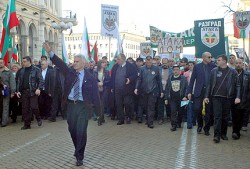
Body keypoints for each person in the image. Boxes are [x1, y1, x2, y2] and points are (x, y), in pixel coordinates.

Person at [43, 42, 101, 166]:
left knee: (81, 131)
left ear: (84, 63)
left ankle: (79, 156)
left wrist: (100, 113)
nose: (74, 63)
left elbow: (96, 96)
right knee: (72, 130)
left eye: (77, 61)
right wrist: (50, 52)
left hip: (83, 107)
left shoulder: (90, 78)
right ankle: (77, 149)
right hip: (70, 105)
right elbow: (60, 63)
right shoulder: (69, 72)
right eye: (74, 61)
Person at [204, 54, 240, 143]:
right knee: (217, 117)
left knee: (225, 117)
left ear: (224, 61)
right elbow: (209, 85)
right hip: (216, 97)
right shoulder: (214, 71)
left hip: (228, 97)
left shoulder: (233, 72)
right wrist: (206, 96)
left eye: (219, 60)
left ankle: (223, 134)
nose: (217, 61)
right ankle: (216, 136)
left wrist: (238, 97)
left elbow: (238, 85)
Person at [187, 52, 216, 135]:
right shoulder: (197, 67)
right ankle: (200, 124)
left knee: (208, 111)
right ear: (203, 58)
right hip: (199, 91)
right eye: (209, 57)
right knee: (197, 109)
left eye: (211, 57)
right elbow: (192, 80)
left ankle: (206, 128)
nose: (210, 58)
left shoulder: (213, 67)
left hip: (209, 92)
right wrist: (189, 91)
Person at [135, 56, 163, 128]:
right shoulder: (142, 69)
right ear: (145, 61)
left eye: (150, 61)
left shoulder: (156, 69)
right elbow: (139, 79)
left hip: (153, 90)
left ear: (152, 61)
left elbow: (159, 81)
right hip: (144, 91)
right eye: (147, 61)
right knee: (146, 106)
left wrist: (161, 91)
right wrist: (136, 88)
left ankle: (150, 122)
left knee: (151, 106)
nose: (149, 62)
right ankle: (148, 119)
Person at [16, 56, 44, 130]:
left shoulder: (36, 70)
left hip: (33, 91)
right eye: (23, 62)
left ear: (29, 62)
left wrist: (39, 89)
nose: (23, 63)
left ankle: (38, 118)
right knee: (25, 109)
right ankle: (27, 124)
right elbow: (19, 81)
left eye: (24, 61)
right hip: (24, 92)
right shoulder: (22, 71)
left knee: (34, 107)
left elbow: (41, 80)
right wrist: (18, 90)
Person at [111, 53, 137, 125]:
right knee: (118, 104)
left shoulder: (131, 66)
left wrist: (130, 79)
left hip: (127, 89)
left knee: (127, 103)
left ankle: (128, 117)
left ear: (123, 59)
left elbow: (135, 75)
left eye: (118, 59)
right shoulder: (115, 66)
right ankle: (121, 119)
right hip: (117, 89)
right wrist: (112, 87)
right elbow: (113, 77)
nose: (117, 60)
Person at [165, 65, 188, 131]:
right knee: (173, 111)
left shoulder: (183, 78)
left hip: (182, 98)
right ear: (173, 71)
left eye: (177, 69)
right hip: (172, 98)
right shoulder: (170, 78)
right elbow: (167, 88)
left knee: (181, 112)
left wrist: (186, 96)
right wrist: (166, 98)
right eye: (174, 70)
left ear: (179, 71)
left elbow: (187, 87)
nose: (176, 71)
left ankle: (179, 123)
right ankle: (173, 125)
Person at [231, 59, 250, 140]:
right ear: (234, 64)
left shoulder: (247, 75)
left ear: (243, 65)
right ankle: (235, 132)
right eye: (237, 63)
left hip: (244, 99)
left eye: (240, 63)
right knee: (235, 116)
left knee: (241, 117)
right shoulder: (231, 74)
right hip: (233, 99)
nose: (238, 64)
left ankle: (237, 130)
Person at [93, 60, 111, 125]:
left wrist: (103, 83)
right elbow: (93, 80)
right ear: (100, 64)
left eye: (105, 63)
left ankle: (100, 119)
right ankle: (102, 117)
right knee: (98, 104)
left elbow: (109, 80)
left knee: (102, 104)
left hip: (104, 89)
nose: (104, 64)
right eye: (103, 63)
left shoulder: (107, 72)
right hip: (97, 89)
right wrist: (97, 83)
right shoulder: (95, 71)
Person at [0, 58, 16, 127]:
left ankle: (4, 122)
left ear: (4, 63)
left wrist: (13, 91)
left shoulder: (8, 71)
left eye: (1, 62)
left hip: (5, 91)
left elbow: (12, 82)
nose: (0, 64)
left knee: (5, 106)